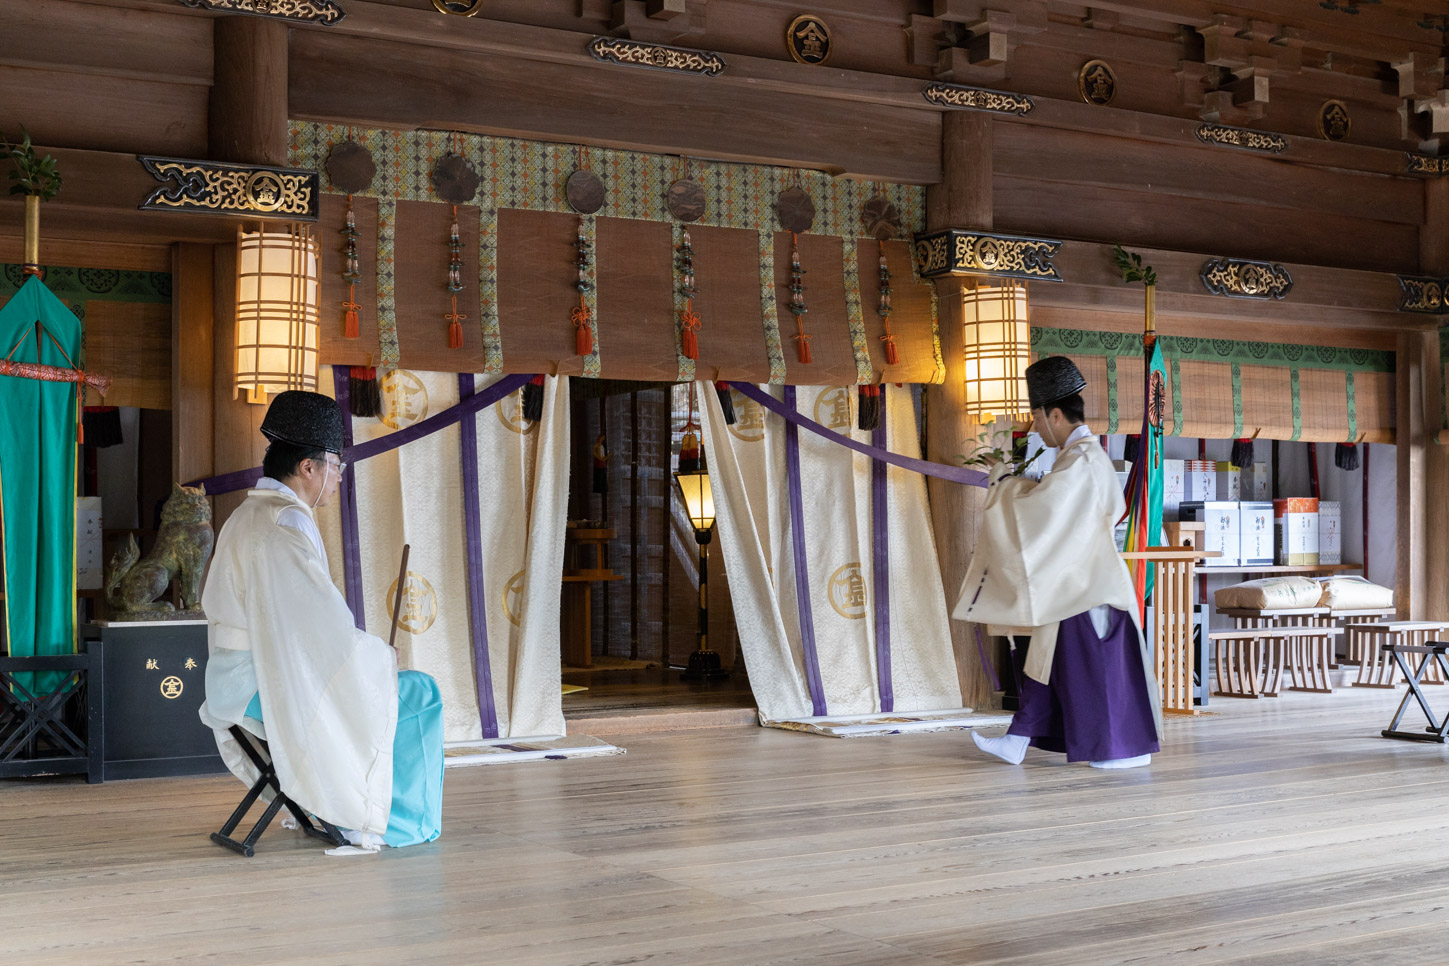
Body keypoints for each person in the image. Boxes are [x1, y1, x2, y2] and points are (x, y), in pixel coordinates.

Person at [198, 390, 443, 853]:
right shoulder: (285, 524)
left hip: (233, 677)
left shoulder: (247, 513)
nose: (339, 476)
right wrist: (378, 656)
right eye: (336, 464)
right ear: (308, 467)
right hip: (261, 683)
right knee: (419, 693)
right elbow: (319, 630)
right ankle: (391, 821)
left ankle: (347, 807)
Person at [954, 356, 1162, 769]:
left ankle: (1120, 749)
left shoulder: (1082, 460)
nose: (1035, 428)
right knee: (1044, 662)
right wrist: (1016, 483)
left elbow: (1042, 513)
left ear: (1054, 415)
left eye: (1037, 418)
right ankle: (1017, 739)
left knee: (1092, 671)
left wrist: (1004, 484)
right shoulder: (1079, 457)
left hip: (1088, 586)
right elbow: (1054, 508)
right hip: (1077, 581)